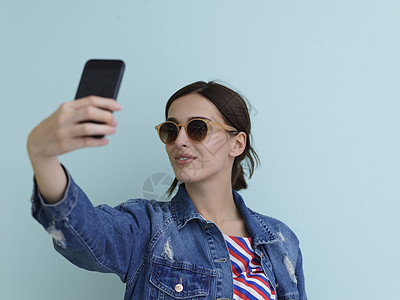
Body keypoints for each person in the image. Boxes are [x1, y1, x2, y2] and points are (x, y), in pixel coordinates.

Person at [28, 81, 306, 300]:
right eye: (171, 130)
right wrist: (43, 156)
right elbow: (83, 233)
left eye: (198, 128)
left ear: (237, 143)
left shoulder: (280, 241)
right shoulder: (147, 227)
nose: (179, 141)